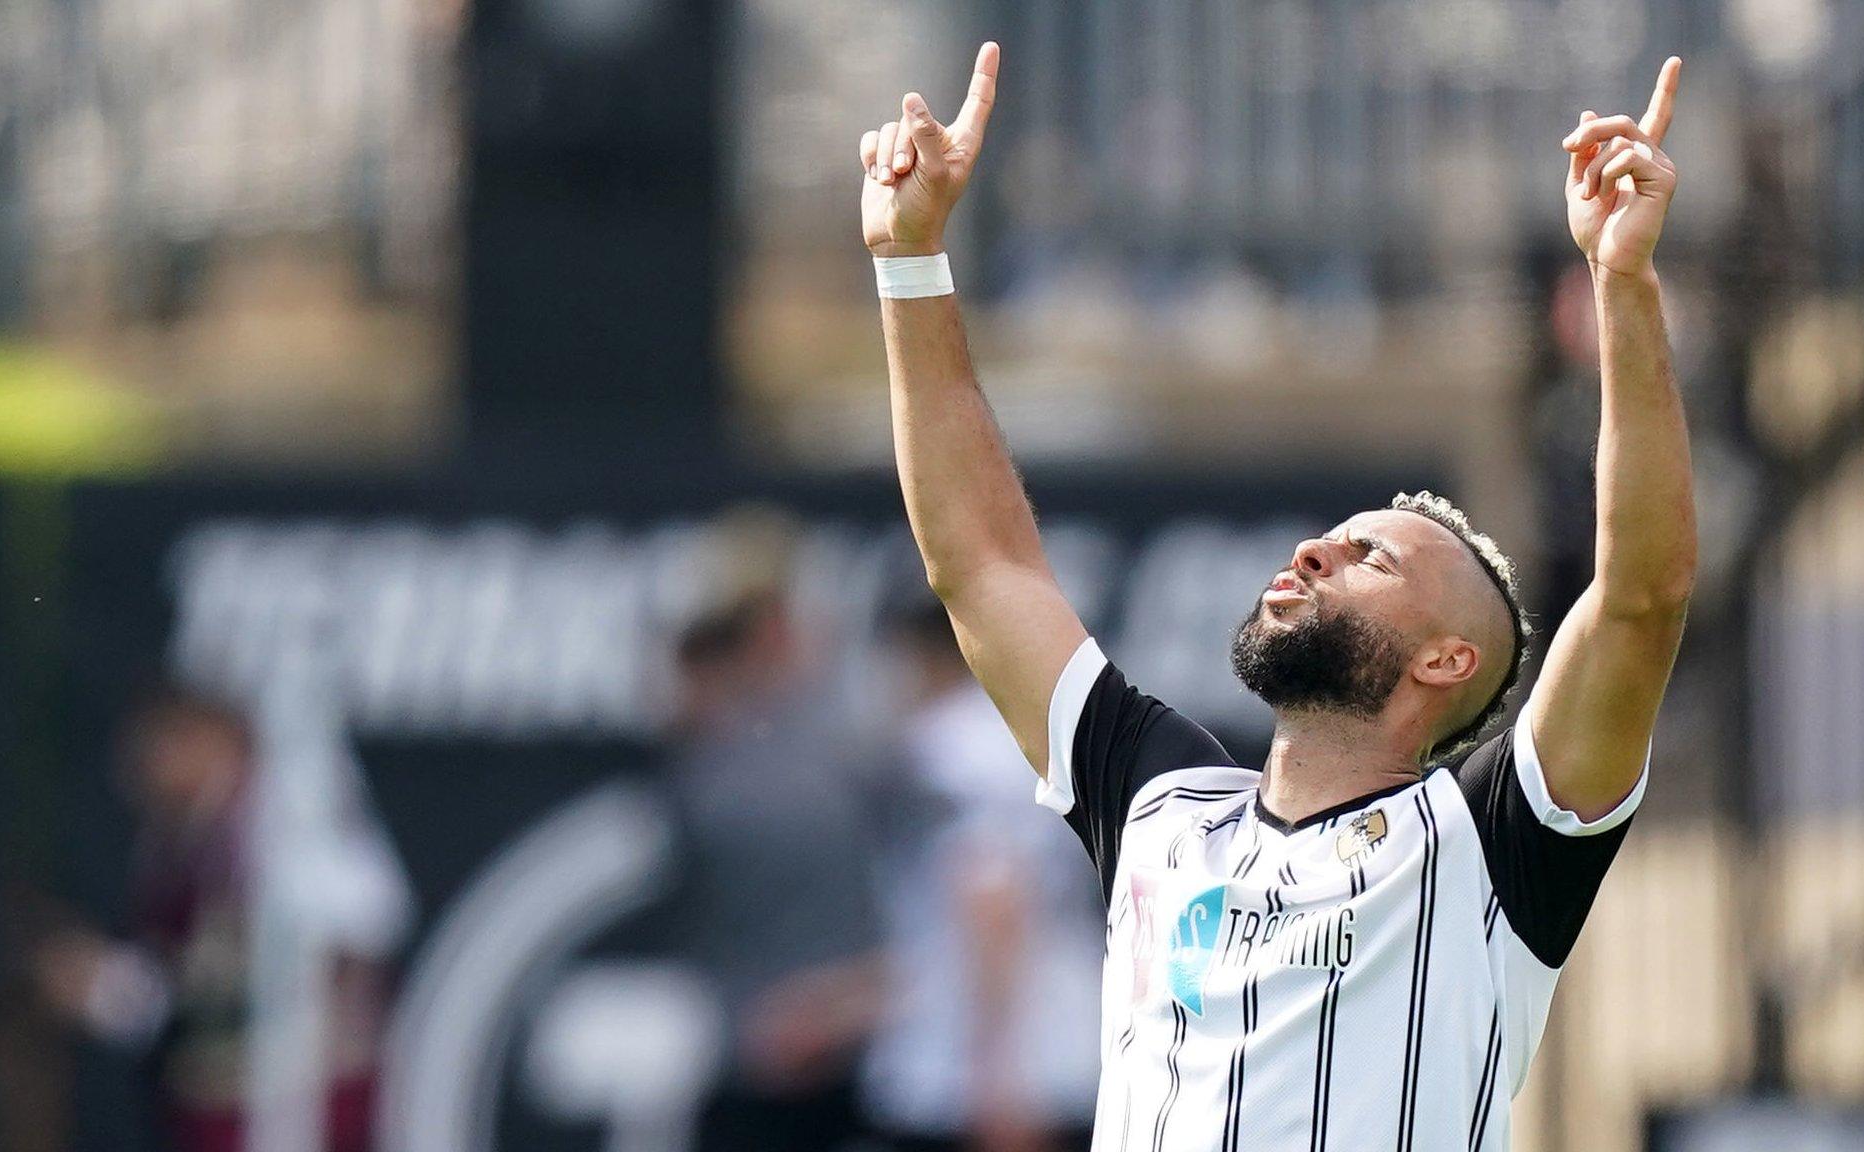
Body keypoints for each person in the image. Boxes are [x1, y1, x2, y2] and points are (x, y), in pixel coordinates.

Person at [857, 43, 1694, 1151]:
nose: (1312, 553)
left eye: (1370, 560)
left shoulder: (1488, 843)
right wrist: (909, 259)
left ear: (1444, 660)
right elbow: (981, 565)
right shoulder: (1162, 805)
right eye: (1329, 539)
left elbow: (1639, 598)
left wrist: (1620, 287)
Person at [34, 685, 389, 1152]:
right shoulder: (168, 845)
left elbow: (360, 925)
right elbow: (172, 998)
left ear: (215, 733)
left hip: (311, 1108)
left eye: (167, 742)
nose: (148, 765)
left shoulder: (295, 810)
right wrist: (106, 987)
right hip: (217, 1117)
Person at [666, 512, 887, 1152]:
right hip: (747, 1064)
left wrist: (845, 1003)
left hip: (864, 1065)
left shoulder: (862, 753)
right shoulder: (706, 758)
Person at [862, 597, 1101, 1152]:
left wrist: (996, 1079)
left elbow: (994, 900)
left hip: (990, 1075)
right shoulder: (1018, 732)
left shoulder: (958, 744)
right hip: (1045, 1052)